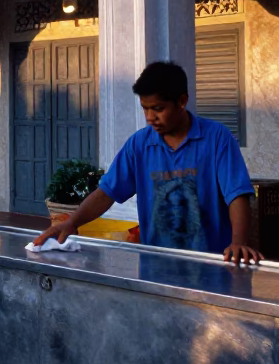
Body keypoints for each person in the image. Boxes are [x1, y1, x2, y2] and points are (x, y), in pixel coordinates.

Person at [33, 61, 263, 264]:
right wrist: (72, 222)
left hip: (210, 262)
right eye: (145, 108)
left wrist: (238, 243)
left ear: (182, 101)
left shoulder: (216, 138)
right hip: (157, 263)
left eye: (158, 109)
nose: (150, 117)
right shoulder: (139, 145)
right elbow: (106, 192)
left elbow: (237, 194)